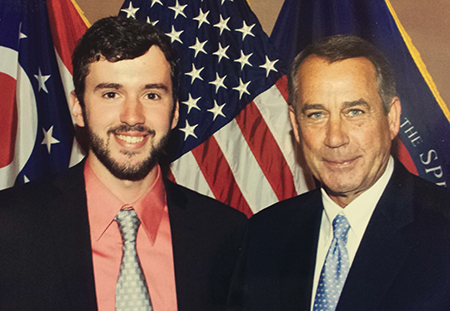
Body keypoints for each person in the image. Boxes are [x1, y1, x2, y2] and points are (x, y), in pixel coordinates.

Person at [0, 16, 247, 311]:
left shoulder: (226, 234)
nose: (133, 116)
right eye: (111, 94)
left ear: (176, 112)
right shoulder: (9, 227)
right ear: (78, 107)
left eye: (152, 94)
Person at [229, 35, 450, 311]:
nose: (335, 138)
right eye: (316, 115)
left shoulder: (442, 230)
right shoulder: (264, 236)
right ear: (296, 127)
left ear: (392, 119)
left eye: (355, 111)